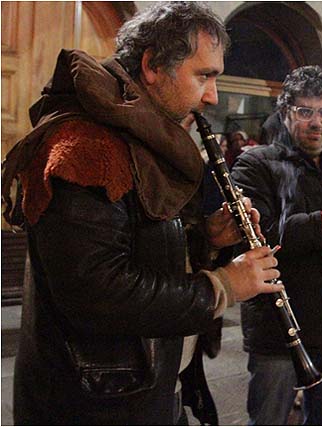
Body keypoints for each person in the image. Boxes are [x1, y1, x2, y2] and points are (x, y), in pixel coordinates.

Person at [1, 2, 282, 425]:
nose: (212, 96)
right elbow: (98, 293)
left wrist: (208, 239)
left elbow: (142, 248)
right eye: (203, 76)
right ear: (152, 65)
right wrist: (223, 286)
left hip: (148, 388)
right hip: (97, 407)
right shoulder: (87, 147)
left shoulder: (146, 140)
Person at [231, 65, 322, 425]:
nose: (317, 122)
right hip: (279, 328)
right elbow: (257, 235)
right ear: (285, 113)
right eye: (305, 111)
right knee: (269, 419)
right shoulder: (255, 163)